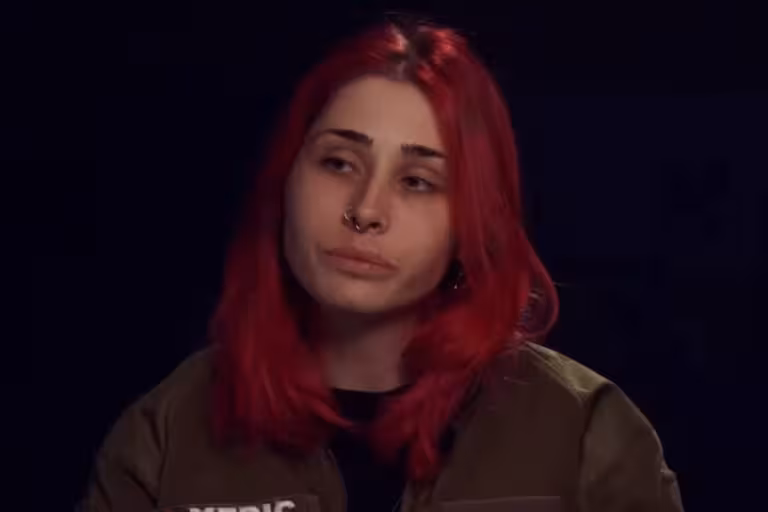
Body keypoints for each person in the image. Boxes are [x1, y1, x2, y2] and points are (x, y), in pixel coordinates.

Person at [79, 17, 684, 512]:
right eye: (339, 163)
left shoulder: (582, 433)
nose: (366, 211)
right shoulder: (168, 432)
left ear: (473, 223)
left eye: (417, 181)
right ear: (284, 182)